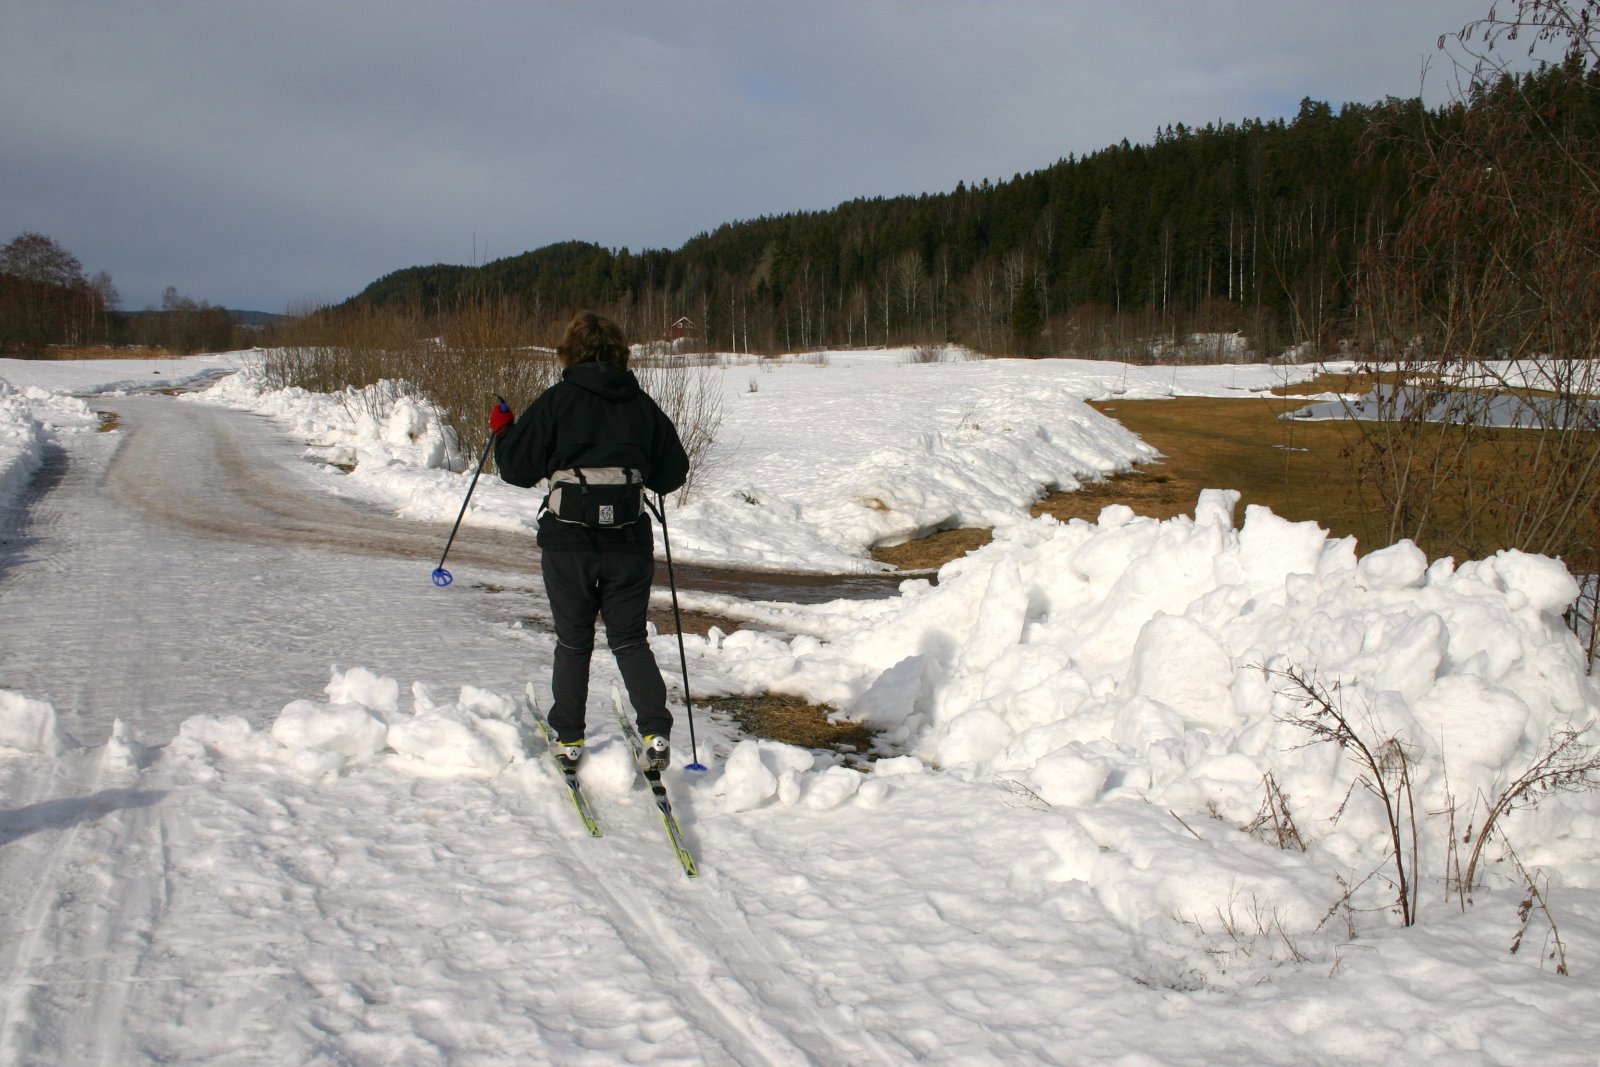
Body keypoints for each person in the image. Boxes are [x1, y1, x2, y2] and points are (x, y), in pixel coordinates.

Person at [490, 310, 689, 772]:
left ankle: (569, 737)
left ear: (570, 353)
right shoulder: (641, 405)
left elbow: (516, 468)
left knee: (574, 641)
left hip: (568, 544)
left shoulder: (557, 401)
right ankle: (655, 731)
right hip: (628, 543)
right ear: (620, 353)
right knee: (629, 639)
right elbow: (672, 474)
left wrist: (502, 430)